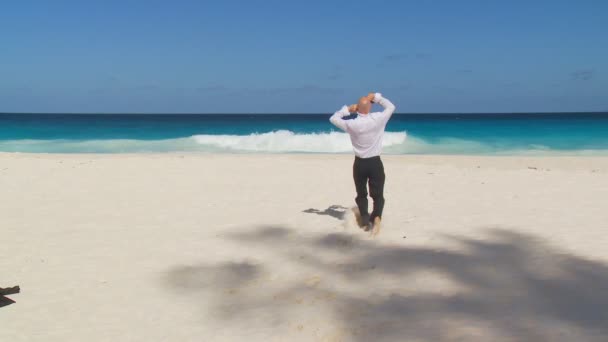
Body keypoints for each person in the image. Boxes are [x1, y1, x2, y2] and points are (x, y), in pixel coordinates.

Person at [329, 92, 396, 236]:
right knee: (378, 195)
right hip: (375, 163)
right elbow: (391, 107)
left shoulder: (352, 124)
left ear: (358, 108)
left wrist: (347, 109)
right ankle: (377, 217)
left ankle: (365, 220)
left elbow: (333, 118)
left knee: (361, 194)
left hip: (360, 163)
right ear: (369, 108)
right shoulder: (378, 119)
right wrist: (376, 97)